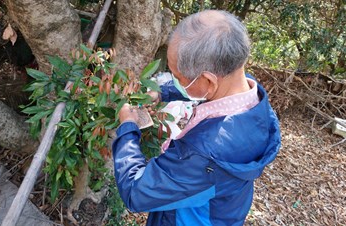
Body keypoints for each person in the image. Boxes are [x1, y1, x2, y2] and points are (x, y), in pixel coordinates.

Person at [112, 10, 281, 226]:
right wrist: (162, 92)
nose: (176, 80)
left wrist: (127, 128)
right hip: (224, 211)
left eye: (178, 77)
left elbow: (135, 192)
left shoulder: (203, 153)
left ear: (209, 81)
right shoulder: (249, 93)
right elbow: (200, 88)